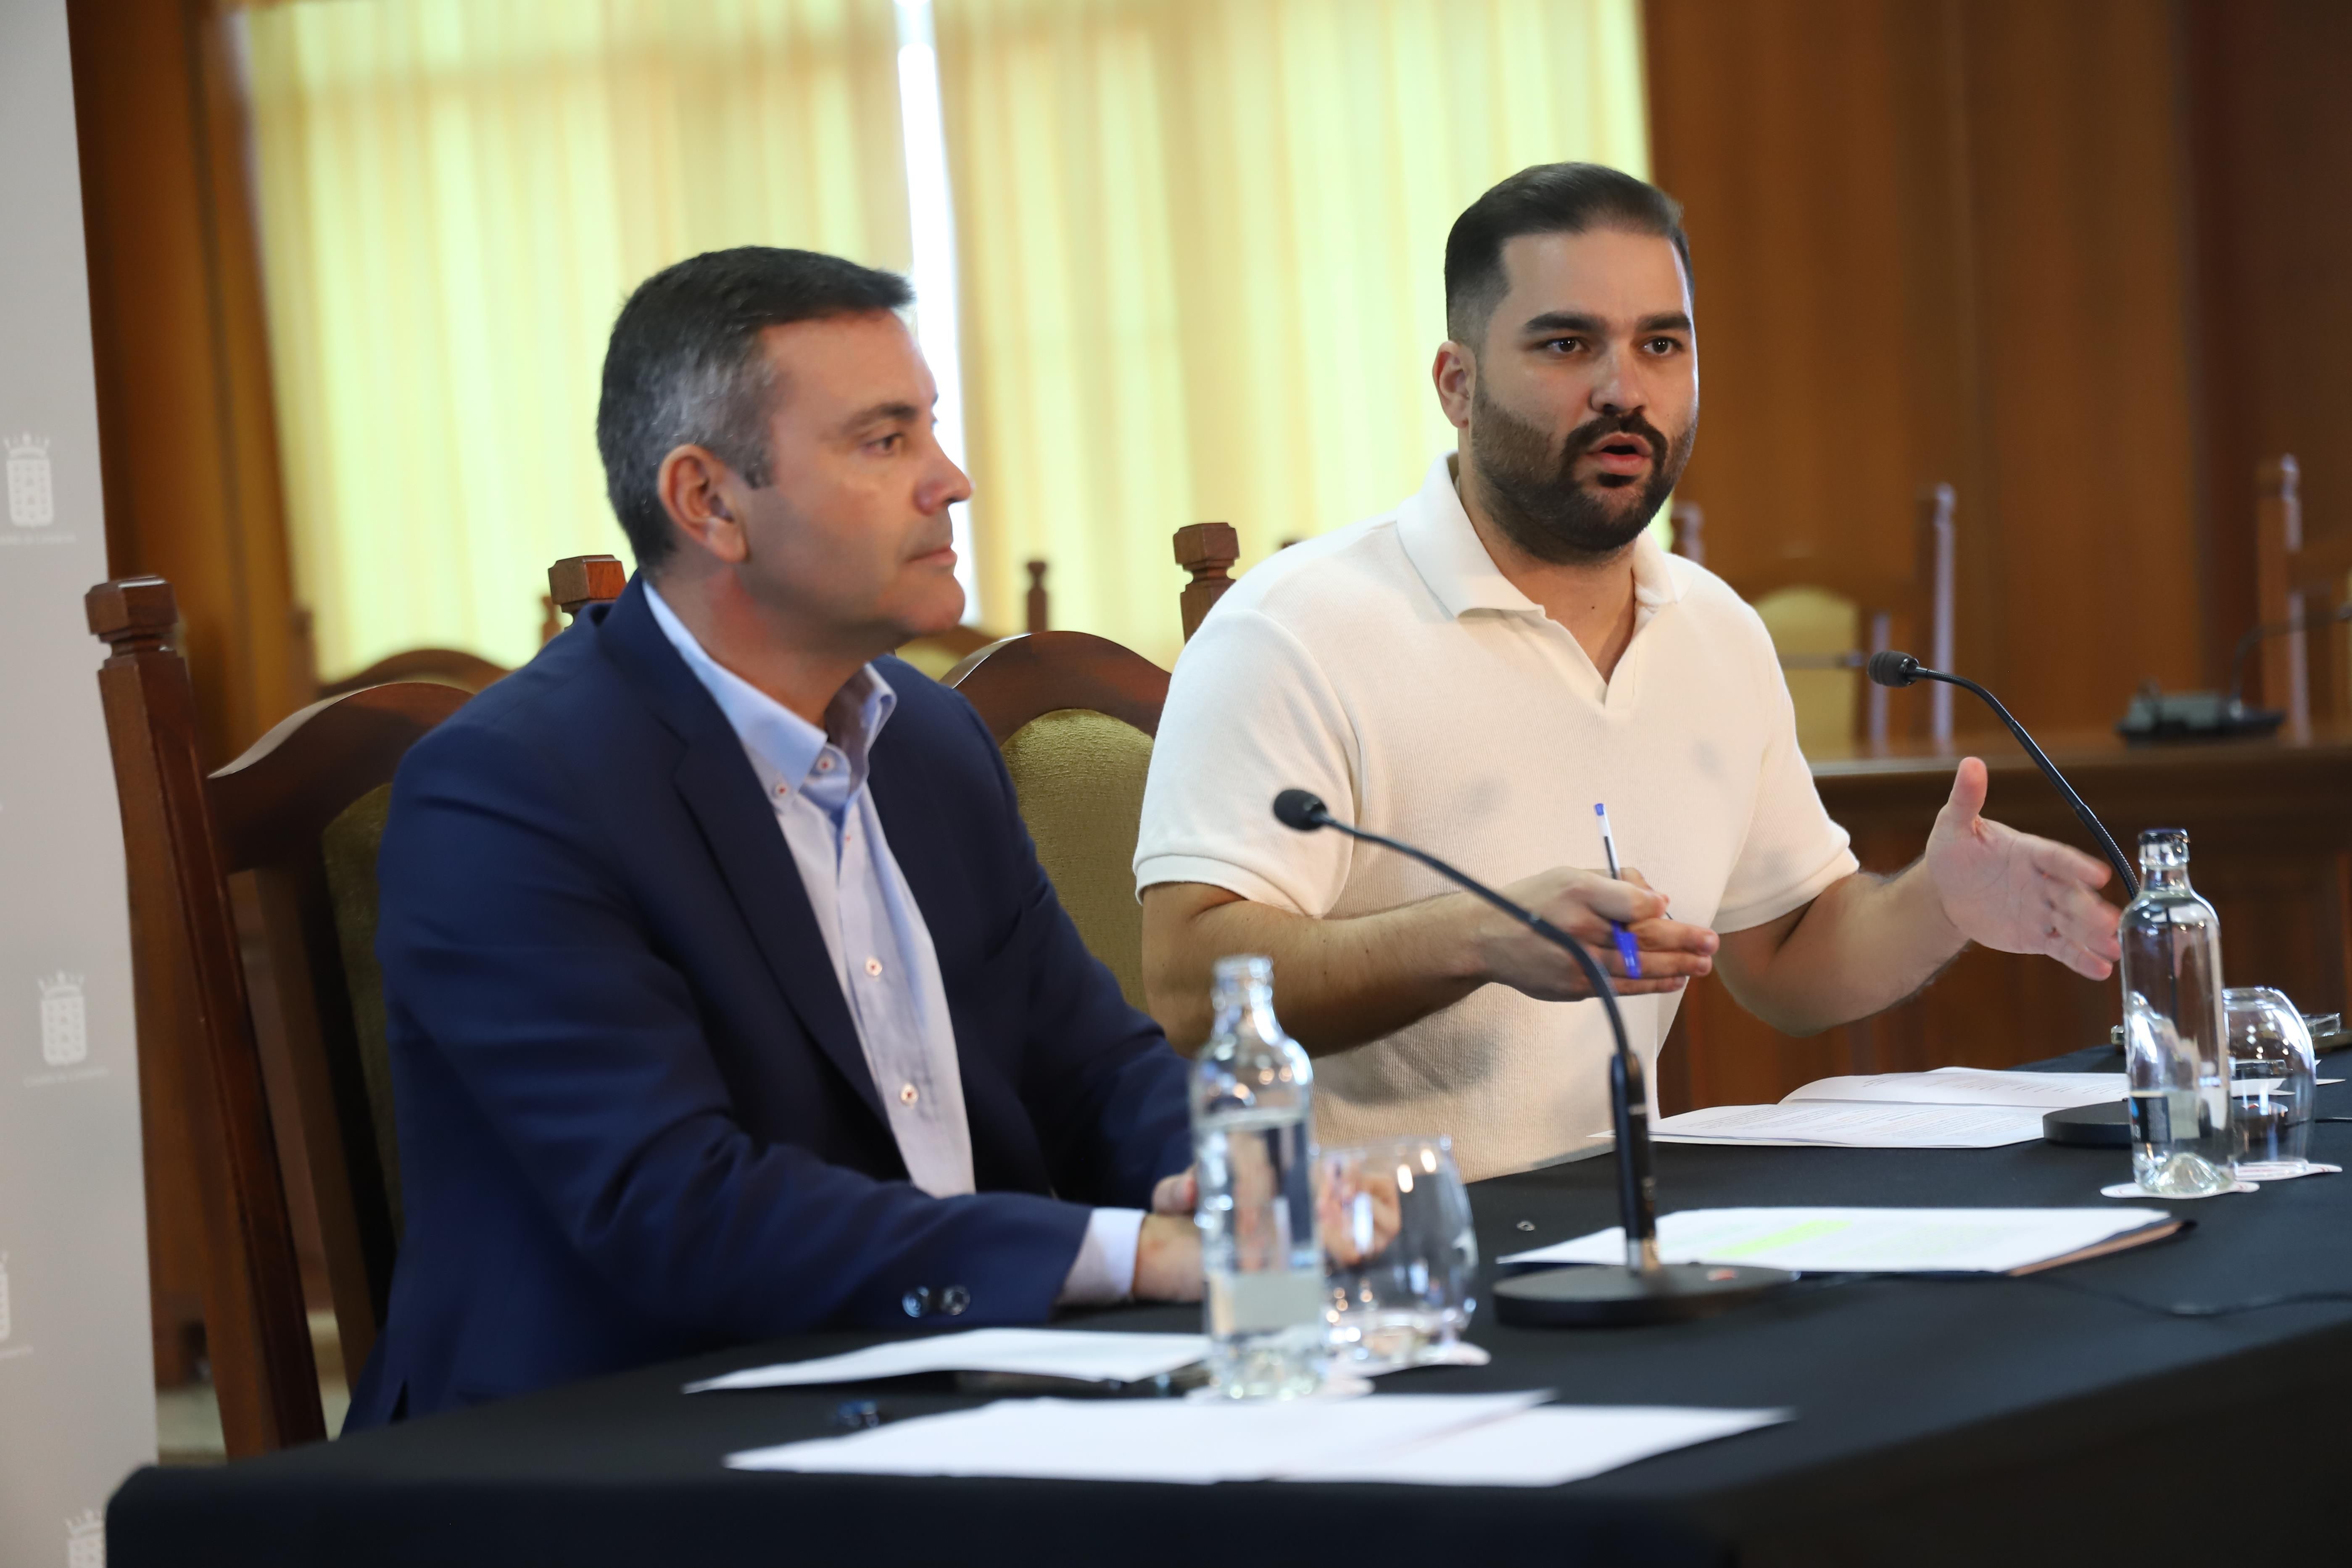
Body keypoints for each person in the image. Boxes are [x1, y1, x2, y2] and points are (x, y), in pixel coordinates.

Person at [1134, 163, 2123, 1181]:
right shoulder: (1295, 629)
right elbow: (1181, 985)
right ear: (1456, 384)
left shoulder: (1713, 630)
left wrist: (1938, 902)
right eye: (1567, 345)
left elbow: (1786, 959)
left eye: (1661, 343)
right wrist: (1478, 936)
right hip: (1369, 1259)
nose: (1623, 389)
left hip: (1623, 1226)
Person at [347, 247, 1200, 1426]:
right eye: (883, 440)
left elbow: (1094, 1066)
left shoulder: (932, 742)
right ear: (709, 502)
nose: (949, 481)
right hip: (616, 1438)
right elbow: (675, 1208)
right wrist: (1128, 1254)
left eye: (930, 431)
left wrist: (1220, 1175)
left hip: (937, 1389)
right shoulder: (508, 791)